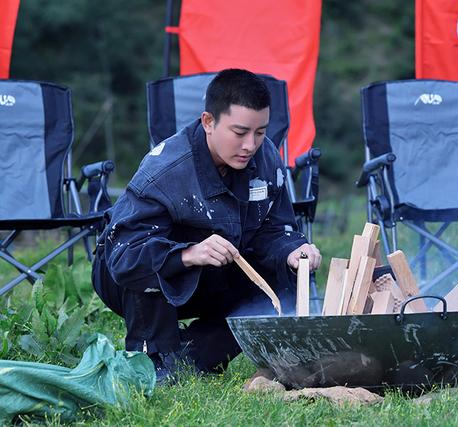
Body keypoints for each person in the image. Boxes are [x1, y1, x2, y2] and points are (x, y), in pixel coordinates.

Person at [91, 68, 321, 383]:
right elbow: (125, 257)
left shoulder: (266, 157)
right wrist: (188, 254)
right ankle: (153, 358)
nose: (250, 145)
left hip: (215, 273)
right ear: (208, 122)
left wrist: (293, 251)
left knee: (287, 273)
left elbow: (274, 230)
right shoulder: (165, 170)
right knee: (148, 269)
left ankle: (196, 353)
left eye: (260, 132)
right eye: (239, 132)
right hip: (130, 275)